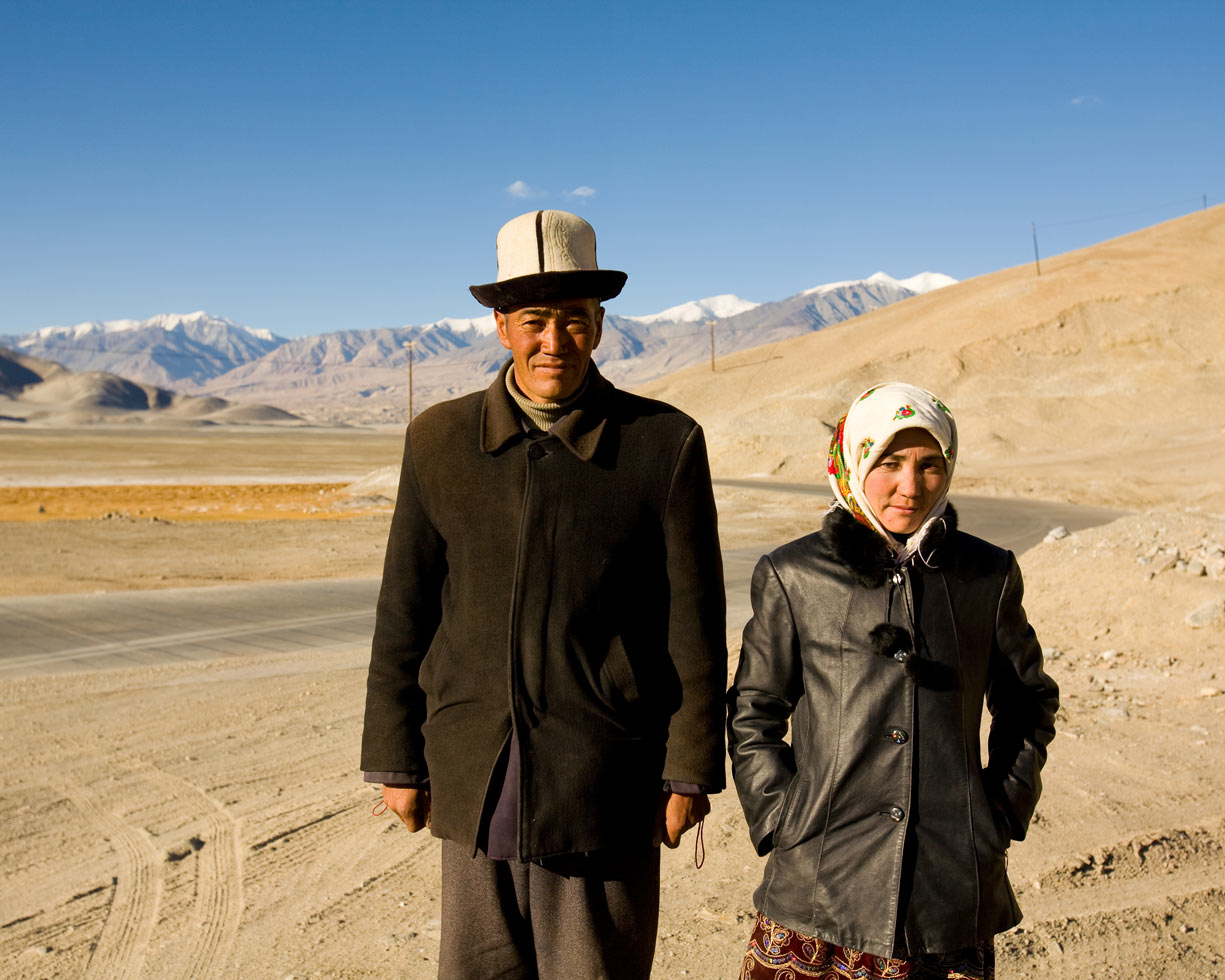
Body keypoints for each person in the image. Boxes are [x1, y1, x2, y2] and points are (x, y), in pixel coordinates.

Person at [361, 209, 727, 979]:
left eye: (573, 320)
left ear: (599, 324)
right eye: (534, 321)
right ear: (500, 327)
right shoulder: (438, 440)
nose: (553, 342)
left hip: (609, 771)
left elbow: (693, 621)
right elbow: (405, 609)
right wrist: (396, 759)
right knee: (480, 968)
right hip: (473, 763)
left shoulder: (663, 443)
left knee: (596, 968)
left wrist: (688, 766)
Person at [727, 383, 1059, 979]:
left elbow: (1027, 702)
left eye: (930, 464)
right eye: (890, 462)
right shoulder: (793, 574)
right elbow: (754, 709)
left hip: (948, 890)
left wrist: (1001, 810)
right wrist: (782, 816)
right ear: (855, 462)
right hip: (817, 884)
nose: (911, 486)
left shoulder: (986, 574)